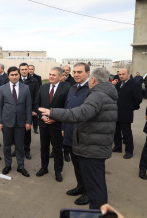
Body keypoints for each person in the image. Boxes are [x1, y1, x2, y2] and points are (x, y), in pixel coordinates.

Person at [39, 68, 118, 209]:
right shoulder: (103, 93)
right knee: (93, 180)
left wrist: (52, 112)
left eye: (79, 72)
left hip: (92, 146)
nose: (76, 74)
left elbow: (80, 113)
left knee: (95, 187)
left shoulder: (97, 95)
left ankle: (98, 212)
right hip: (91, 142)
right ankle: (83, 190)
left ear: (92, 79)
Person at [34, 67, 70, 182]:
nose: (50, 77)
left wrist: (55, 118)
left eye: (54, 75)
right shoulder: (43, 87)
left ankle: (58, 171)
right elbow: (36, 104)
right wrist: (43, 116)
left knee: (57, 149)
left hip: (57, 125)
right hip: (44, 124)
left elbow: (67, 108)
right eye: (50, 74)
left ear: (60, 76)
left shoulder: (66, 89)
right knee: (44, 147)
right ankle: (44, 168)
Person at [62, 63, 90, 205]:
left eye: (80, 72)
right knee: (76, 164)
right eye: (75, 72)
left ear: (88, 73)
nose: (76, 74)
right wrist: (63, 127)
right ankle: (80, 186)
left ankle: (87, 193)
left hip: (83, 135)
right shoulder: (73, 88)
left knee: (85, 166)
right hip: (70, 132)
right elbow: (67, 108)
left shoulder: (91, 90)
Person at [0, 66, 32, 177]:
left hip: (21, 122)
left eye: (16, 74)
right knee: (6, 145)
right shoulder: (3, 88)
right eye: (12, 75)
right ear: (8, 76)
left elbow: (28, 106)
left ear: (19, 75)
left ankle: (21, 166)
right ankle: (8, 165)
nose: (14, 77)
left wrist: (28, 121)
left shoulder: (25, 88)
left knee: (20, 146)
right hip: (7, 121)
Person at [112, 68, 142, 159]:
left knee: (126, 133)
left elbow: (138, 99)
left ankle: (129, 151)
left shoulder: (134, 84)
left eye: (123, 74)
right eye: (120, 74)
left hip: (126, 113)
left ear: (128, 74)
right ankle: (118, 147)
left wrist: (130, 108)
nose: (121, 76)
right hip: (116, 112)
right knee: (116, 132)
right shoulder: (119, 84)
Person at [19, 62, 40, 159]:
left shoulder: (34, 81)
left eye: (25, 69)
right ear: (20, 70)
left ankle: (27, 150)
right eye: (22, 69)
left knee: (27, 131)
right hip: (17, 111)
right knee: (17, 131)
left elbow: (36, 96)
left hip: (28, 110)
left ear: (28, 70)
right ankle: (17, 149)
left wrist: (35, 110)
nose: (24, 71)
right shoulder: (15, 79)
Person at [28, 64, 42, 134]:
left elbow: (39, 88)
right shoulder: (25, 78)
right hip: (27, 99)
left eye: (32, 69)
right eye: (29, 69)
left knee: (35, 116)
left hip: (34, 99)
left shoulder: (38, 78)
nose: (30, 70)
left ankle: (36, 128)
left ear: (34, 70)